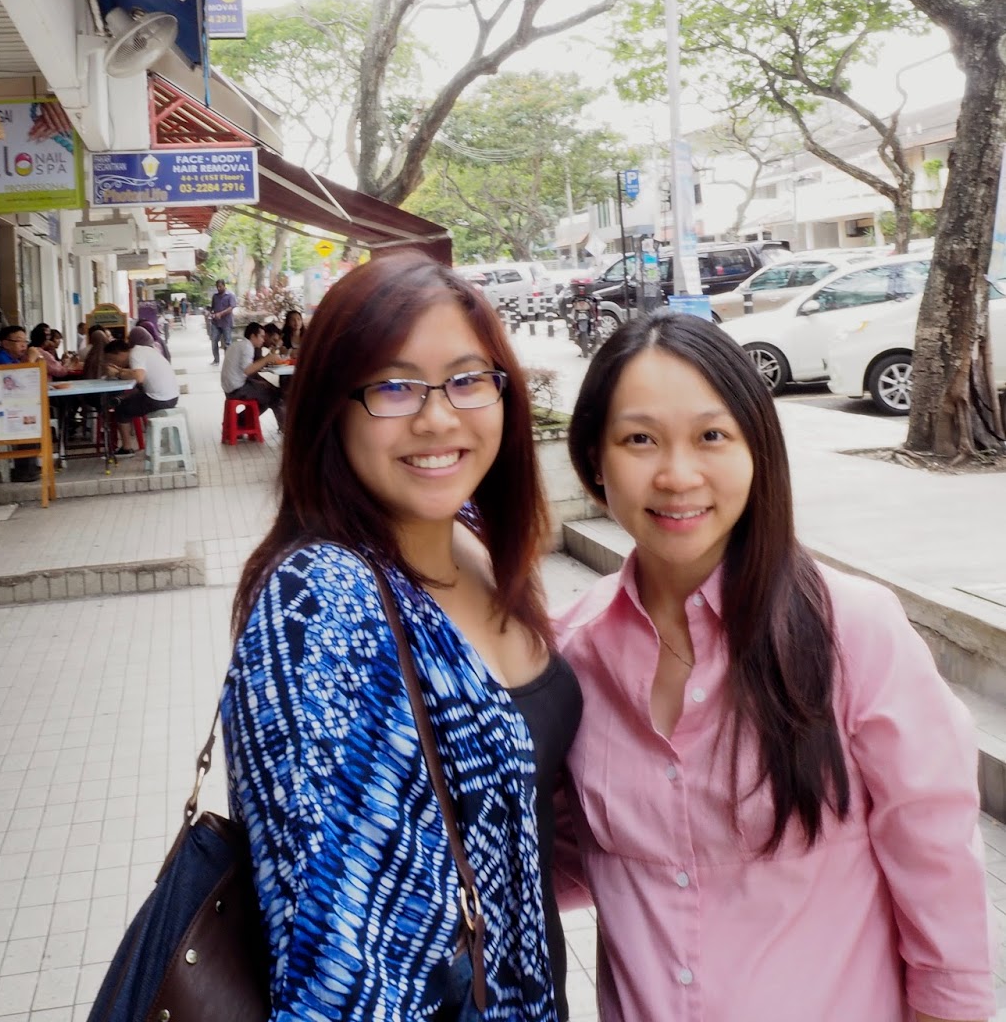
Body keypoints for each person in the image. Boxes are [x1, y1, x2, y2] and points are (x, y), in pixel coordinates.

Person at [557, 310, 994, 1022]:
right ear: (593, 462)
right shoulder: (574, 652)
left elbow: (934, 847)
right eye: (639, 439)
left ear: (757, 449)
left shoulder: (852, 629)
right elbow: (568, 858)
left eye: (711, 436)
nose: (677, 475)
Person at [223, 252, 582, 1021]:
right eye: (392, 387)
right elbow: (333, 976)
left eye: (467, 379)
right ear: (330, 409)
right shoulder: (320, 606)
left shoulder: (473, 536)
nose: (438, 418)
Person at [104, 335, 179, 454]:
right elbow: (137, 373)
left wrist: (117, 373)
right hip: (171, 396)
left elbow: (139, 377)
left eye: (111, 359)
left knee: (121, 408)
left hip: (160, 399)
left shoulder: (135, 355)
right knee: (127, 398)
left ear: (119, 354)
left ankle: (126, 448)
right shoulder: (142, 350)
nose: (112, 363)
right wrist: (120, 371)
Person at [0, 326, 40, 482]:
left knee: (33, 415)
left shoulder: (13, 359)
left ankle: (30, 467)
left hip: (9, 407)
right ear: (6, 343)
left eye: (25, 341)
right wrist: (31, 360)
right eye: (19, 341)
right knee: (28, 420)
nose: (24, 345)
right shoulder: (1, 359)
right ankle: (24, 471)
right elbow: (21, 382)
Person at [220, 320, 286, 420]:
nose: (263, 340)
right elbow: (248, 370)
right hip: (237, 389)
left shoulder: (237, 344)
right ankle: (285, 427)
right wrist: (267, 359)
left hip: (230, 387)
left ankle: (239, 421)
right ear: (253, 336)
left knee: (268, 395)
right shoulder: (248, 347)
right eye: (261, 336)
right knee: (275, 396)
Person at [208, 278, 237, 364]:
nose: (219, 288)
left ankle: (228, 361)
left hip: (226, 323)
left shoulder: (230, 295)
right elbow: (212, 308)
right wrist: (211, 313)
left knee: (227, 343)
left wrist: (221, 314)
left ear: (224, 286)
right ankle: (216, 360)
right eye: (217, 287)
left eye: (220, 286)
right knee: (214, 341)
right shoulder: (215, 296)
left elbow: (231, 307)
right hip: (216, 323)